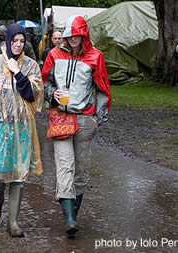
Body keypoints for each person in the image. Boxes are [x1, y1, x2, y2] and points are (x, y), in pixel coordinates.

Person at [0, 23, 44, 237]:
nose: (18, 45)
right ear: (8, 41)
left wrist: (18, 73)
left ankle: (13, 223)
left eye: (22, 41)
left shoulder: (31, 66)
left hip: (21, 125)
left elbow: (33, 96)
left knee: (19, 175)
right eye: (15, 41)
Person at [42, 16, 111, 238]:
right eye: (70, 34)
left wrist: (97, 119)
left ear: (84, 34)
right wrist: (52, 95)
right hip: (61, 118)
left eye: (77, 34)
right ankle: (69, 220)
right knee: (65, 167)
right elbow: (45, 83)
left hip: (85, 120)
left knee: (81, 172)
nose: (73, 39)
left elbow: (102, 88)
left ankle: (74, 213)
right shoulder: (54, 55)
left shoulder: (95, 57)